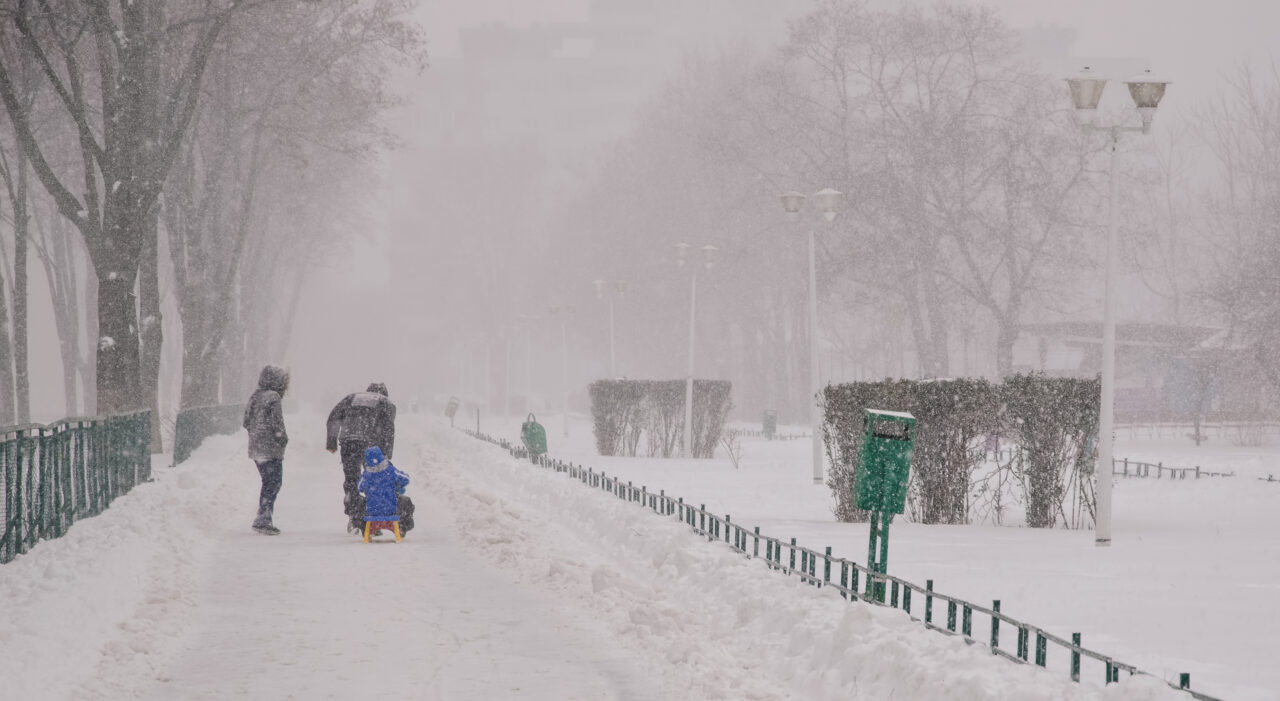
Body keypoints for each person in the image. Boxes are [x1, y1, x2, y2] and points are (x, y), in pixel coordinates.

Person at [326, 382, 396, 533]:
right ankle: (372, 520)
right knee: (374, 482)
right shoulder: (385, 402)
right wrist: (386, 453)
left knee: (352, 480)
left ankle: (354, 515)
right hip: (371, 445)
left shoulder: (351, 398)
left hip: (349, 442)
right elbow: (388, 429)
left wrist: (331, 442)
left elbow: (333, 417)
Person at [243, 365, 290, 535]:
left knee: (268, 482)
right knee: (274, 483)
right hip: (271, 449)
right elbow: (278, 424)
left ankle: (263, 516)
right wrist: (282, 439)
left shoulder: (255, 396)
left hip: (256, 448)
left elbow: (246, 421)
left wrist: (256, 433)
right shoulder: (274, 397)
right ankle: (263, 518)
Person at [357, 445, 413, 537]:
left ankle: (365, 529)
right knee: (406, 501)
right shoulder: (390, 471)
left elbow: (359, 487)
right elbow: (406, 479)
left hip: (372, 511)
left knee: (358, 502)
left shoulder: (366, 475)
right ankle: (402, 526)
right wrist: (397, 485)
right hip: (391, 509)